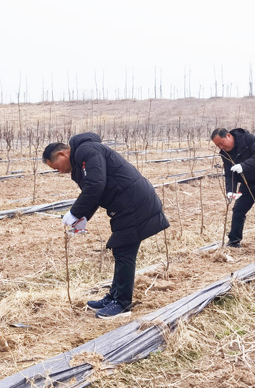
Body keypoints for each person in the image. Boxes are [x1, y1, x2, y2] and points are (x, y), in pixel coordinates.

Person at [42, 133, 169, 318]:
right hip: (126, 205)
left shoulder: (86, 151)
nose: (59, 172)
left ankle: (122, 304)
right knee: (120, 250)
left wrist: (74, 213)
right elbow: (95, 194)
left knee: (124, 251)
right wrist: (82, 218)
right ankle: (114, 296)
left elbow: (96, 185)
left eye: (56, 167)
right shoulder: (81, 161)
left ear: (62, 154)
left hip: (134, 203)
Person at [210, 128, 255, 255]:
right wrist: (230, 191)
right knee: (238, 210)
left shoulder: (248, 139)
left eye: (221, 143)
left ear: (228, 136)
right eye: (218, 146)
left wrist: (243, 166)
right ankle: (234, 241)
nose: (221, 147)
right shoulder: (225, 153)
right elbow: (229, 173)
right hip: (249, 183)